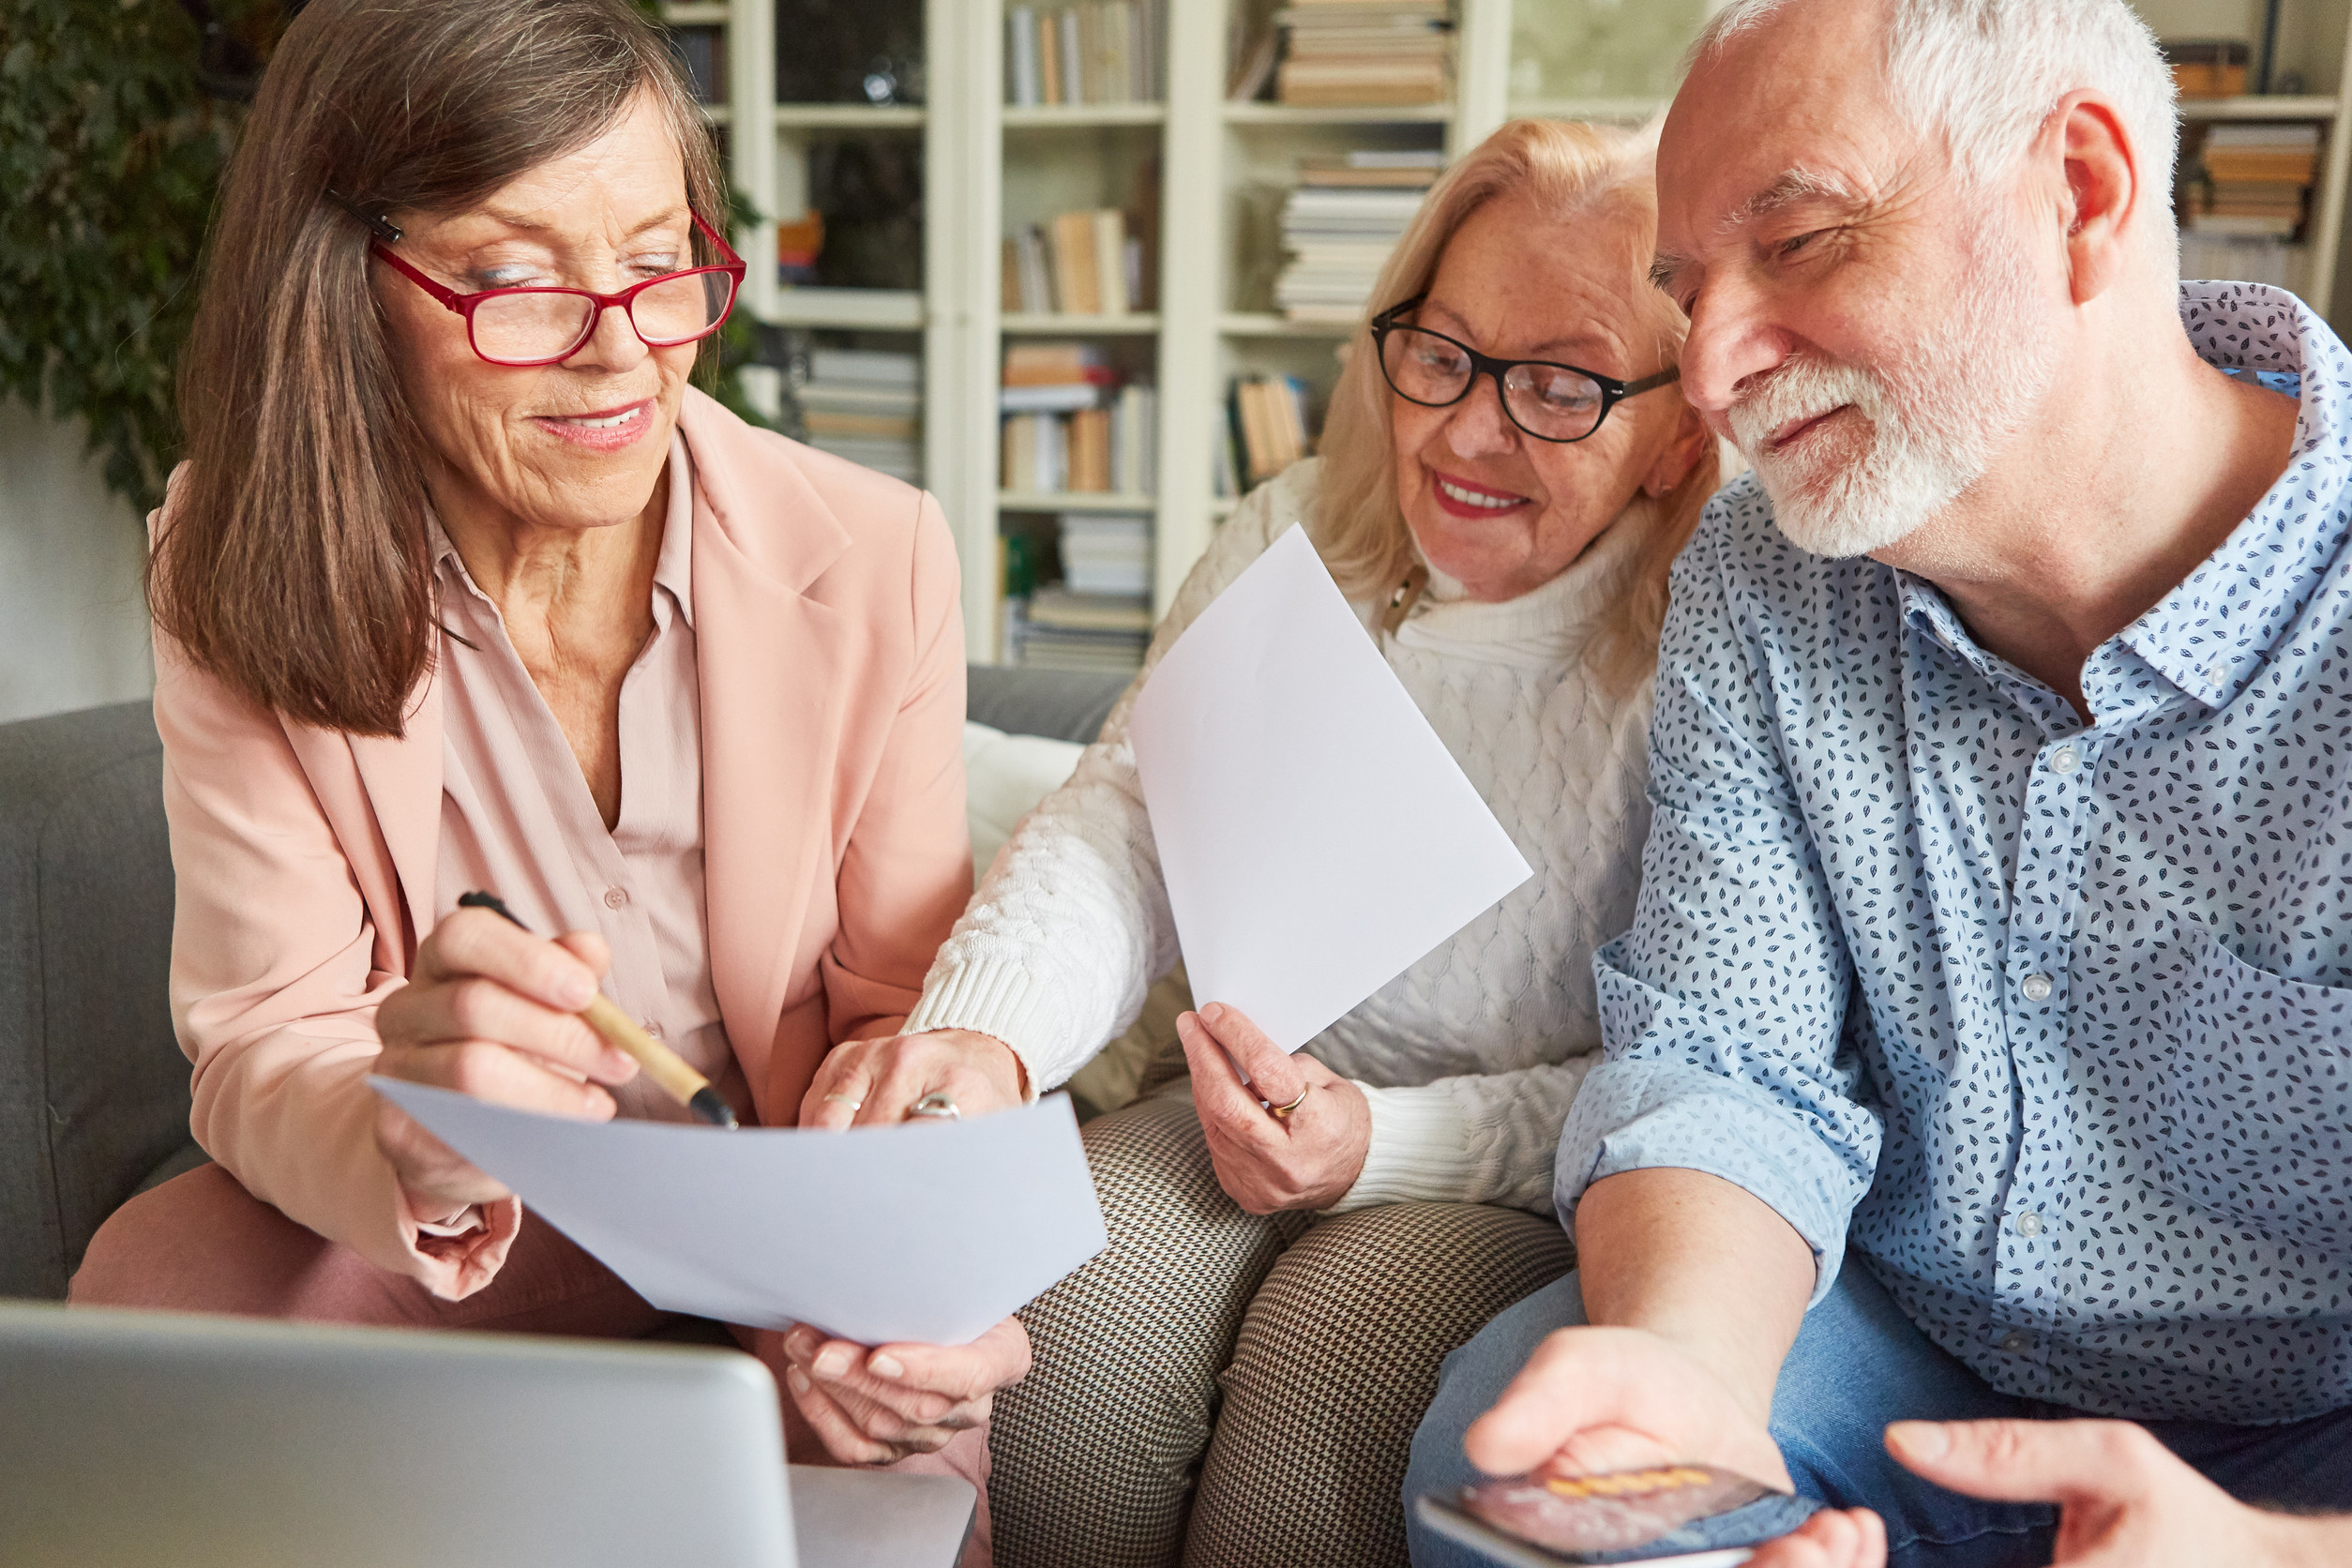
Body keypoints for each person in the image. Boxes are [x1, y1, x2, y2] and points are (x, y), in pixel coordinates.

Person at [1403, 4, 2352, 1568]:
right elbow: (1727, 1057)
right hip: (1901, 1355)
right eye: (1689, 290)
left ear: (2083, 192)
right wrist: (1697, 1380)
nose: (1706, 371)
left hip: (2314, 1437)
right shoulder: (1764, 576)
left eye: (1803, 242)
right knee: (1548, 1457)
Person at [67, 4, 1018, 1561]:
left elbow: (898, 1027)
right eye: (514, 282)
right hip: (460, 1225)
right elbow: (261, 1041)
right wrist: (417, 1135)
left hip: (768, 1214)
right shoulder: (232, 552)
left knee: (899, 1452)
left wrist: (899, 1280)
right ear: (344, 288)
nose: (623, 346)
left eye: (661, 259)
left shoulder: (879, 553)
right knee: (151, 1293)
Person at [804, 118, 1719, 1567]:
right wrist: (987, 1042)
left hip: (1485, 1167)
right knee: (1065, 1340)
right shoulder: (1292, 529)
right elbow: (1126, 824)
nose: (1467, 433)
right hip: (1212, 1096)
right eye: (1440, 352)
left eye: (1561, 386)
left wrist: (1380, 1144)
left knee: (1326, 1397)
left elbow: (1701, 1077)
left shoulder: (1706, 658)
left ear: (1683, 426)